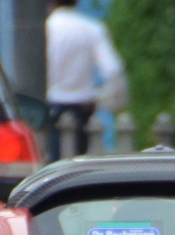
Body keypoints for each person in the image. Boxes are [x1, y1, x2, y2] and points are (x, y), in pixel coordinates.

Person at [45, 0, 126, 159]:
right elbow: (113, 69)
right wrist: (110, 99)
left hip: (50, 105)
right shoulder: (91, 28)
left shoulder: (45, 28)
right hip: (83, 106)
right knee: (78, 164)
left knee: (50, 166)